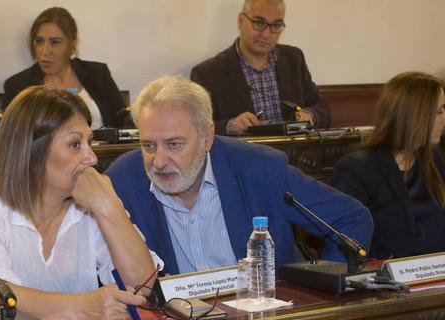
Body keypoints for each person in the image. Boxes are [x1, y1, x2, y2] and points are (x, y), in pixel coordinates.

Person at [106, 75, 372, 275]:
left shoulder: (259, 169)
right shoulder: (123, 181)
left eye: (174, 144)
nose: (159, 161)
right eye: (148, 145)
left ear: (207, 137)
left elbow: (351, 218)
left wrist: (319, 289)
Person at [0, 86, 161, 320]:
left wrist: (109, 208)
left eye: (89, 142)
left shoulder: (94, 198)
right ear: (32, 152)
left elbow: (142, 287)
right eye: (75, 144)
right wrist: (80, 308)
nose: (92, 158)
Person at [332, 72, 445, 260]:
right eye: (439, 111)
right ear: (415, 115)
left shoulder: (438, 159)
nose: (444, 118)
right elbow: (347, 242)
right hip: (387, 281)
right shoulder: (357, 169)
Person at [190, 0, 330, 136]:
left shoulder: (294, 59)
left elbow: (322, 108)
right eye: (259, 23)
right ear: (240, 21)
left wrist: (309, 115)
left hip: (295, 153)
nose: (266, 34)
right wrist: (230, 125)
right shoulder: (208, 73)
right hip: (245, 156)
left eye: (276, 25)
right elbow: (198, 128)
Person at [4, 7, 128, 130]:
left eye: (55, 42)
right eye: (39, 41)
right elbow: (15, 137)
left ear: (73, 43)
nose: (44, 51)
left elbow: (124, 123)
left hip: (107, 150)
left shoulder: (97, 74)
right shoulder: (18, 85)